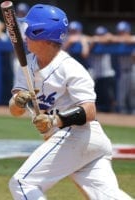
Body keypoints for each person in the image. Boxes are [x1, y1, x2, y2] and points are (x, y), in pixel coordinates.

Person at [8, 4, 133, 200]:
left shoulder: (71, 68)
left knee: (23, 183)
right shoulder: (26, 65)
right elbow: (15, 111)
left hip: (77, 134)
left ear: (41, 32)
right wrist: (18, 101)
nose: (25, 33)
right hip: (83, 142)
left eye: (30, 28)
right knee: (108, 197)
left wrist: (54, 121)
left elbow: (89, 111)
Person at [88, 26, 116, 112]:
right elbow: (85, 53)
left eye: (102, 35)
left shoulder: (108, 42)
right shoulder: (91, 43)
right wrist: (94, 40)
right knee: (98, 99)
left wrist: (99, 39)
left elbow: (110, 38)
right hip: (96, 75)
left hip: (107, 74)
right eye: (98, 35)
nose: (99, 36)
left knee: (109, 98)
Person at [111, 21, 135, 114]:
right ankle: (122, 118)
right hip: (122, 73)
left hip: (133, 71)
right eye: (120, 32)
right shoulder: (117, 41)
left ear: (128, 31)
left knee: (133, 96)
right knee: (121, 97)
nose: (121, 33)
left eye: (123, 31)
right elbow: (108, 38)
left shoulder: (132, 39)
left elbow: (130, 39)